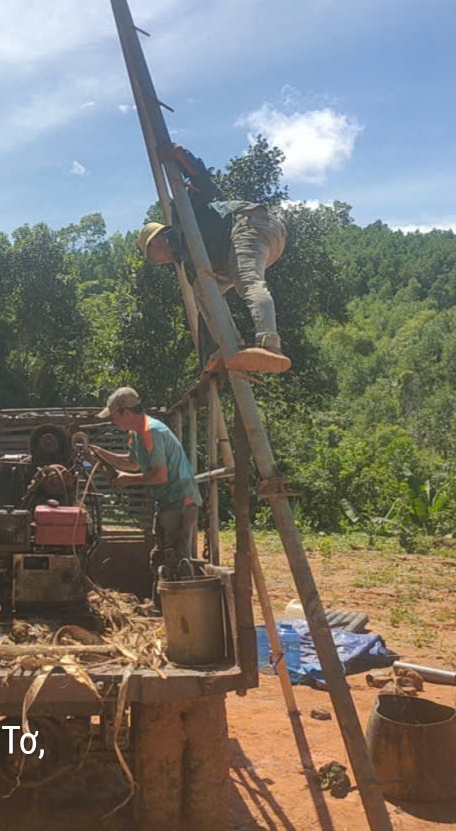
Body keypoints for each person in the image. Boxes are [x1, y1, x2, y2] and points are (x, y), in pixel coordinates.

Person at [137, 145, 292, 373]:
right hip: (242, 247)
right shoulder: (189, 263)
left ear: (156, 241)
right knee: (202, 290)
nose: (158, 263)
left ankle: (270, 345)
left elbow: (205, 185)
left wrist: (182, 157)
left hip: (250, 224)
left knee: (246, 279)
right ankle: (231, 346)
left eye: (152, 257)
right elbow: (208, 309)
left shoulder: (182, 216)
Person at [88, 387, 202, 597]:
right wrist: (99, 452)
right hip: (167, 502)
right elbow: (132, 463)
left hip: (180, 501)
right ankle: (165, 607)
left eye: (114, 416)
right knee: (159, 558)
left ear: (126, 413)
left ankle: (185, 606)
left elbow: (160, 476)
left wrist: (128, 480)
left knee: (177, 560)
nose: (113, 421)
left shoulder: (153, 432)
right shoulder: (136, 434)